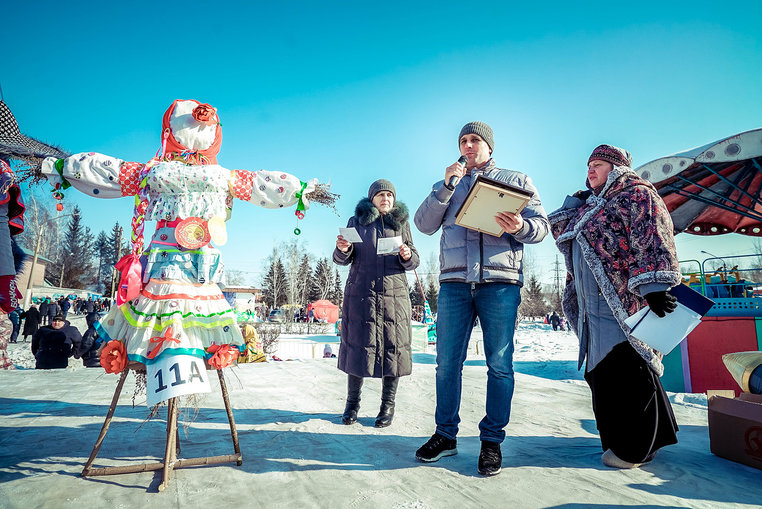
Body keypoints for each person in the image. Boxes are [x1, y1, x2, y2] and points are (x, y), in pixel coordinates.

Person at [413, 121, 549, 476]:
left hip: (500, 284)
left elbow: (541, 227)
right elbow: (424, 225)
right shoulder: (447, 184)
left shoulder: (516, 181)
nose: (469, 146)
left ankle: (492, 441)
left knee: (500, 365)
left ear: (489, 146)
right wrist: (445, 187)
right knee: (446, 364)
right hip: (455, 283)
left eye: (475, 140)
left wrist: (520, 227)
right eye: (463, 141)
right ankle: (445, 436)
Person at [549, 144, 681, 469]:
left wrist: (654, 288)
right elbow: (563, 230)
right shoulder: (592, 208)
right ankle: (645, 439)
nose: (590, 170)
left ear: (618, 168)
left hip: (622, 308)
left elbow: (653, 236)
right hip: (591, 314)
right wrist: (577, 202)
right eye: (588, 165)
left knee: (628, 373)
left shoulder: (636, 195)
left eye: (598, 165)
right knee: (601, 376)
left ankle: (633, 448)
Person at [334, 179, 420, 428]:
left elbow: (414, 258)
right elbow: (341, 258)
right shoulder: (357, 222)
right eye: (381, 195)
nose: (386, 199)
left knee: (393, 349)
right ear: (371, 199)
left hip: (395, 297)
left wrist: (407, 255)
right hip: (362, 294)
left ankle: (387, 406)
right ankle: (352, 405)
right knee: (358, 347)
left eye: (389, 195)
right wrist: (342, 249)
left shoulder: (401, 223)